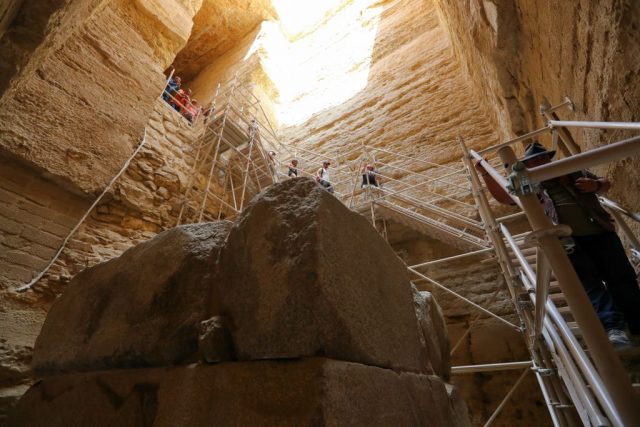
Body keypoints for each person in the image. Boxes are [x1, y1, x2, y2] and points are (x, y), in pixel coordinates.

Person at [477, 142, 640, 348]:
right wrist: (485, 174)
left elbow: (605, 183)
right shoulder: (530, 184)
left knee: (622, 278)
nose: (540, 162)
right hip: (568, 243)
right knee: (591, 286)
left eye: (543, 158)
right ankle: (614, 328)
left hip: (601, 232)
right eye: (534, 160)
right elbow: (504, 197)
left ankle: (636, 323)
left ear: (549, 159)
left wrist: (595, 186)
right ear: (528, 165)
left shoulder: (573, 171)